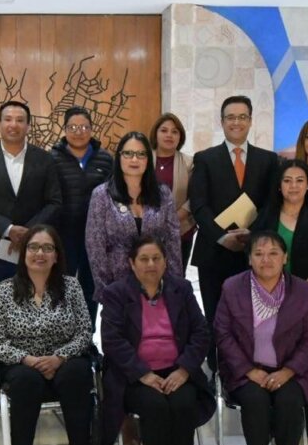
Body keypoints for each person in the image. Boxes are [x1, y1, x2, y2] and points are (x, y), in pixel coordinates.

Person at [99, 236, 214, 445]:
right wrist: (143, 374)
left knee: (183, 403)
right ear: (132, 263)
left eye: (156, 258)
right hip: (135, 376)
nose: (150, 264)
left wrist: (184, 370)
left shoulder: (181, 289)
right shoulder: (116, 293)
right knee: (156, 407)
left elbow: (201, 332)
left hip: (177, 371)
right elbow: (112, 340)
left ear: (165, 262)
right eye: (144, 259)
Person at [214, 231, 308, 445]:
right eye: (258, 254)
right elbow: (222, 334)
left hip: (289, 371)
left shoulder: (302, 291)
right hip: (246, 371)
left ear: (285, 258)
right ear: (249, 259)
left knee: (289, 401)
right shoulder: (232, 288)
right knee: (255, 401)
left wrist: (288, 372)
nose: (266, 260)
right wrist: (249, 371)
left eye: (273, 253)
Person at [0, 225, 94, 445]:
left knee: (77, 375)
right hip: (22, 365)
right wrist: (29, 360)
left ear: (56, 255)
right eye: (34, 247)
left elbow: (85, 332)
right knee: (26, 382)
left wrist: (59, 357)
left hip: (65, 360)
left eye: (48, 248)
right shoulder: (4, 290)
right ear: (23, 253)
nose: (40, 253)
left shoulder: (71, 287)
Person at [188, 95, 280, 366]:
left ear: (250, 121)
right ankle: (216, 369)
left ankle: (250, 369)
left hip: (254, 254)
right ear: (222, 122)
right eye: (230, 117)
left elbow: (271, 204)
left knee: (252, 317)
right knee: (216, 316)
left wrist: (252, 236)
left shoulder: (268, 160)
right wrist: (221, 236)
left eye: (242, 117)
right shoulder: (205, 159)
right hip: (213, 252)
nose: (236, 122)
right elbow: (199, 205)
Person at [256, 160, 308, 442]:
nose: (293, 186)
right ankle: (275, 427)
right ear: (279, 186)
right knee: (275, 362)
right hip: (270, 303)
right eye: (287, 180)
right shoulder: (266, 216)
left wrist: (298, 294)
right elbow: (255, 258)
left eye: (299, 180)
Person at [0, 101, 63, 284]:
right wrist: (8, 229)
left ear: (28, 126)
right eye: (8, 119)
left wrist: (29, 232)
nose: (13, 125)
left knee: (34, 297)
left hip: (36, 249)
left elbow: (54, 202)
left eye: (20, 120)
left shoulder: (45, 159)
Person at [86, 131, 182, 303]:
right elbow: (95, 246)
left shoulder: (163, 193)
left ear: (148, 159)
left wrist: (176, 284)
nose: (134, 159)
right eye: (128, 153)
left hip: (157, 280)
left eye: (141, 154)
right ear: (119, 157)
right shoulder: (102, 194)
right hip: (117, 282)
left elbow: (172, 239)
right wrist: (106, 289)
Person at [49, 106, 113, 325]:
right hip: (62, 234)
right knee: (61, 285)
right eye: (73, 127)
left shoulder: (105, 159)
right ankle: (61, 332)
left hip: (96, 235)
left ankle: (87, 334)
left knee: (90, 286)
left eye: (84, 127)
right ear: (65, 129)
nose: (79, 132)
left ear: (92, 129)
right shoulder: (52, 158)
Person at [149, 113, 196, 273]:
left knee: (176, 280)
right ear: (156, 134)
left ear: (180, 137)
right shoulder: (143, 159)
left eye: (175, 131)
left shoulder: (190, 163)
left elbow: (195, 197)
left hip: (180, 230)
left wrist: (172, 219)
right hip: (146, 232)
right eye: (164, 130)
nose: (169, 135)